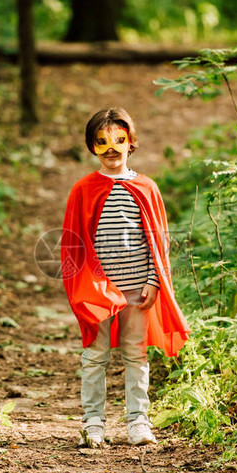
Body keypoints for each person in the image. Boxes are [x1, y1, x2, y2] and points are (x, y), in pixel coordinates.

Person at [61, 108, 189, 447]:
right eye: (102, 142)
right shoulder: (84, 189)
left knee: (135, 354)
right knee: (95, 355)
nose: (111, 148)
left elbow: (157, 242)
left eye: (119, 140)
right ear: (92, 147)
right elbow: (74, 242)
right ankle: (93, 423)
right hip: (98, 290)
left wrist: (153, 280)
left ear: (131, 143)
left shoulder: (146, 187)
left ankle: (138, 421)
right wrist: (80, 286)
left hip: (137, 288)